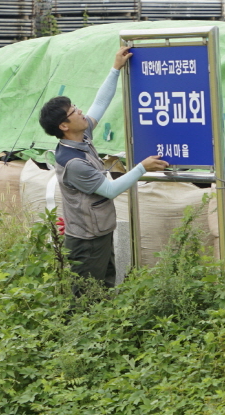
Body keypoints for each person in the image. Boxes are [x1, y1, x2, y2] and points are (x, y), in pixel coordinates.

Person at [38, 45, 168, 293]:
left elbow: (100, 103)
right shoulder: (73, 163)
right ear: (64, 126)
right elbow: (109, 189)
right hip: (86, 241)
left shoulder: (81, 136)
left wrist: (115, 69)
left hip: (98, 231)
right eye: (74, 112)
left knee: (105, 286)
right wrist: (142, 167)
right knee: (86, 295)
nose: (81, 112)